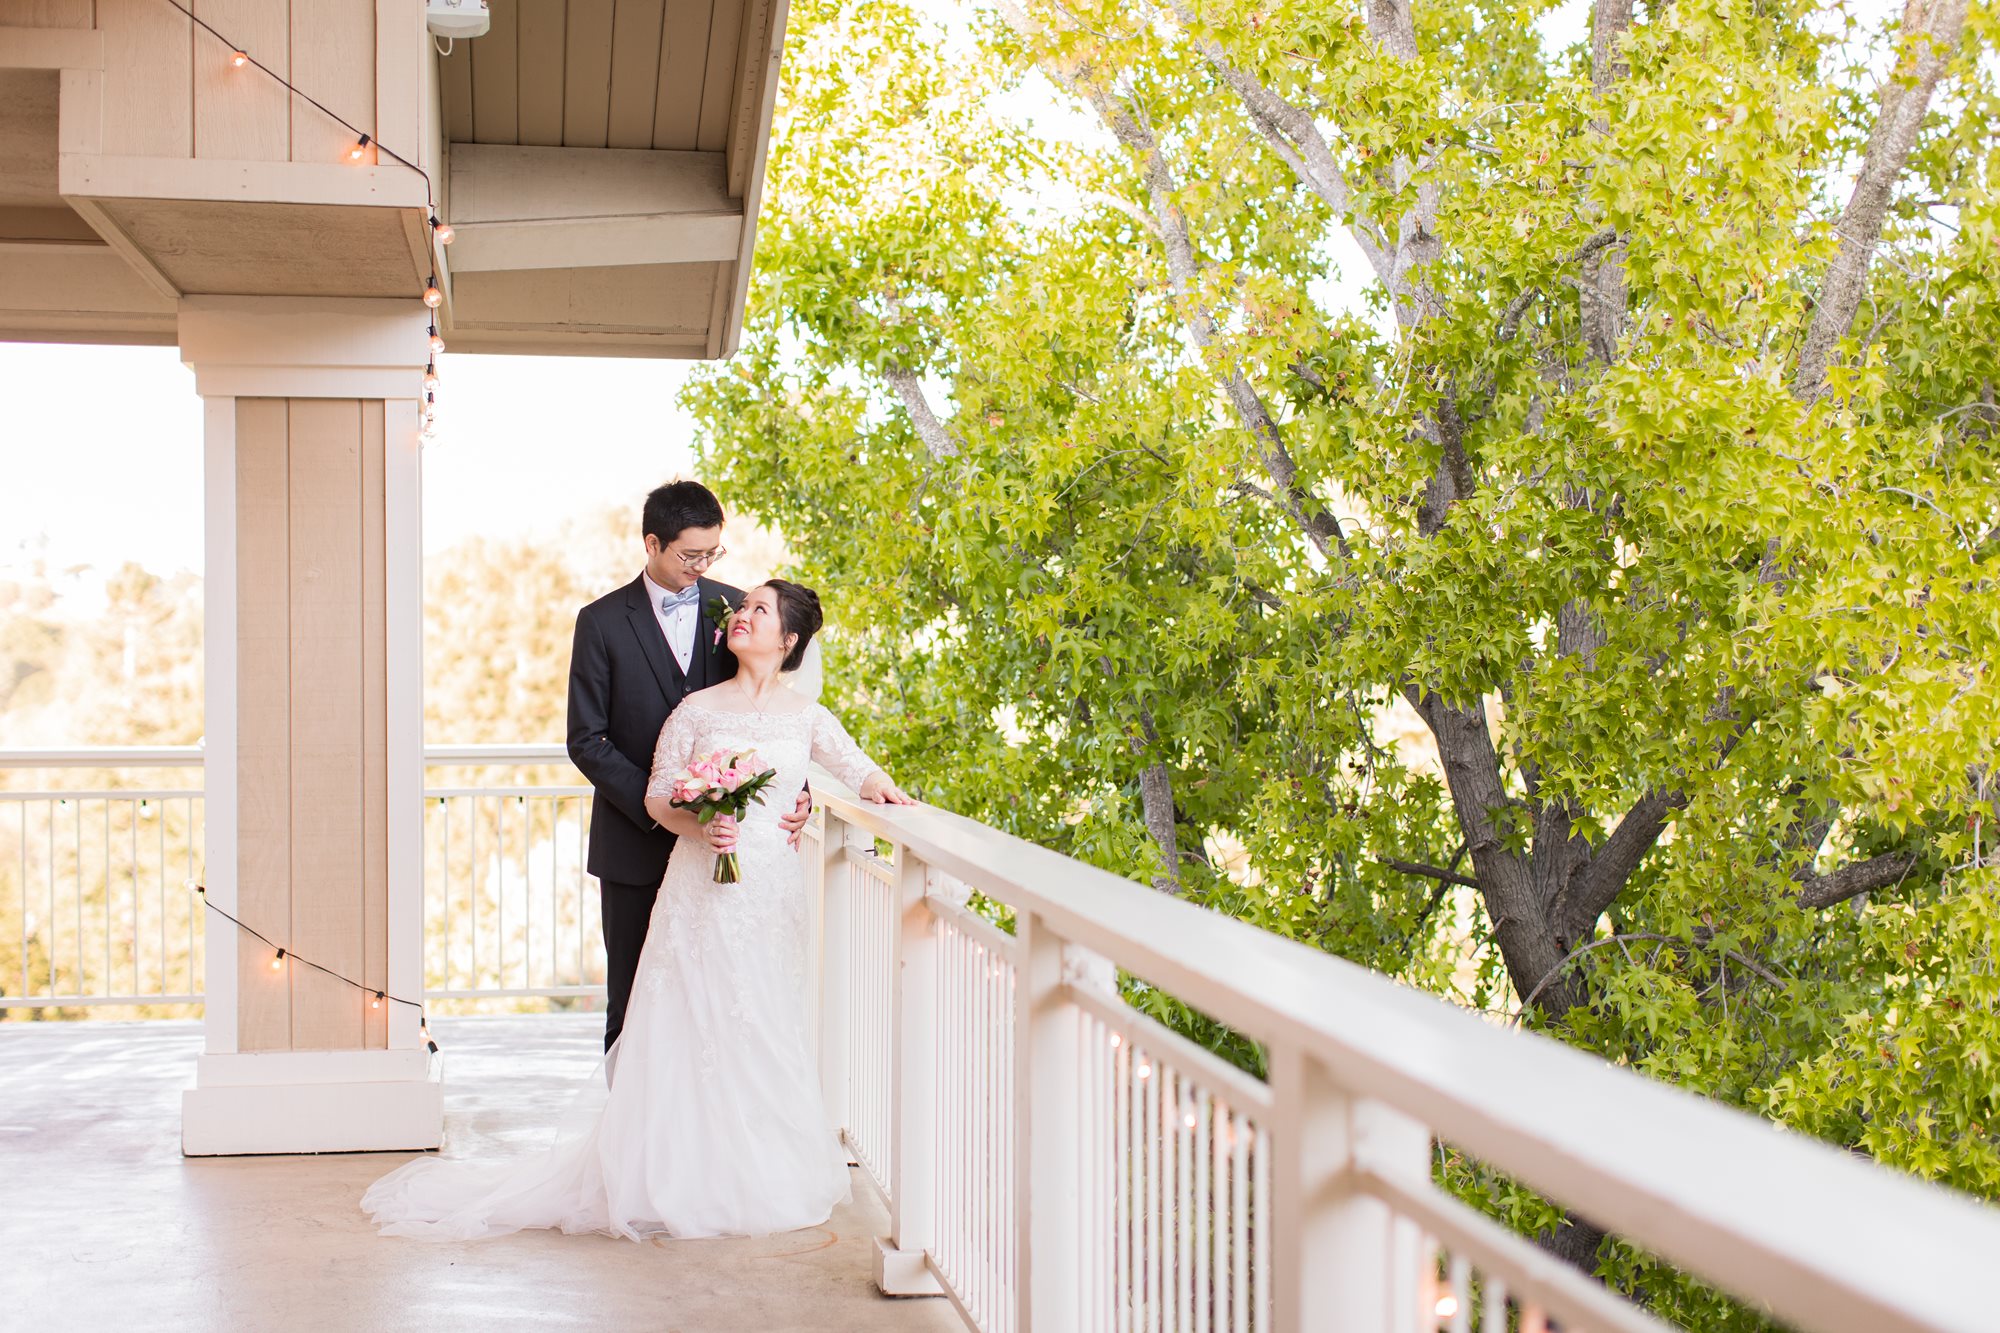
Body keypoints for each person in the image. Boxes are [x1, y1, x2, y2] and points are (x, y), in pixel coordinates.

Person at [363, 579, 915, 1240]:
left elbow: (856, 767)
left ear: (788, 640)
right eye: (743, 607)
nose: (742, 614)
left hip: (770, 894)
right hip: (700, 887)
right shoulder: (696, 710)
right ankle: (677, 1173)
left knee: (762, 1019)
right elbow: (657, 795)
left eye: (759, 610)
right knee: (689, 1021)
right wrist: (697, 824)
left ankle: (755, 1168)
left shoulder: (806, 716)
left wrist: (887, 795)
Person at [562, 481, 812, 1052]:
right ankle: (626, 1138)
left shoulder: (736, 608)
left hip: (727, 850)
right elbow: (586, 739)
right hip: (633, 842)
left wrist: (794, 794)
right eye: (689, 555)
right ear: (653, 543)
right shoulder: (599, 622)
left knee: (718, 1002)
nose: (702, 567)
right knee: (632, 1004)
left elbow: (769, 710)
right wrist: (670, 804)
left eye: (712, 553)